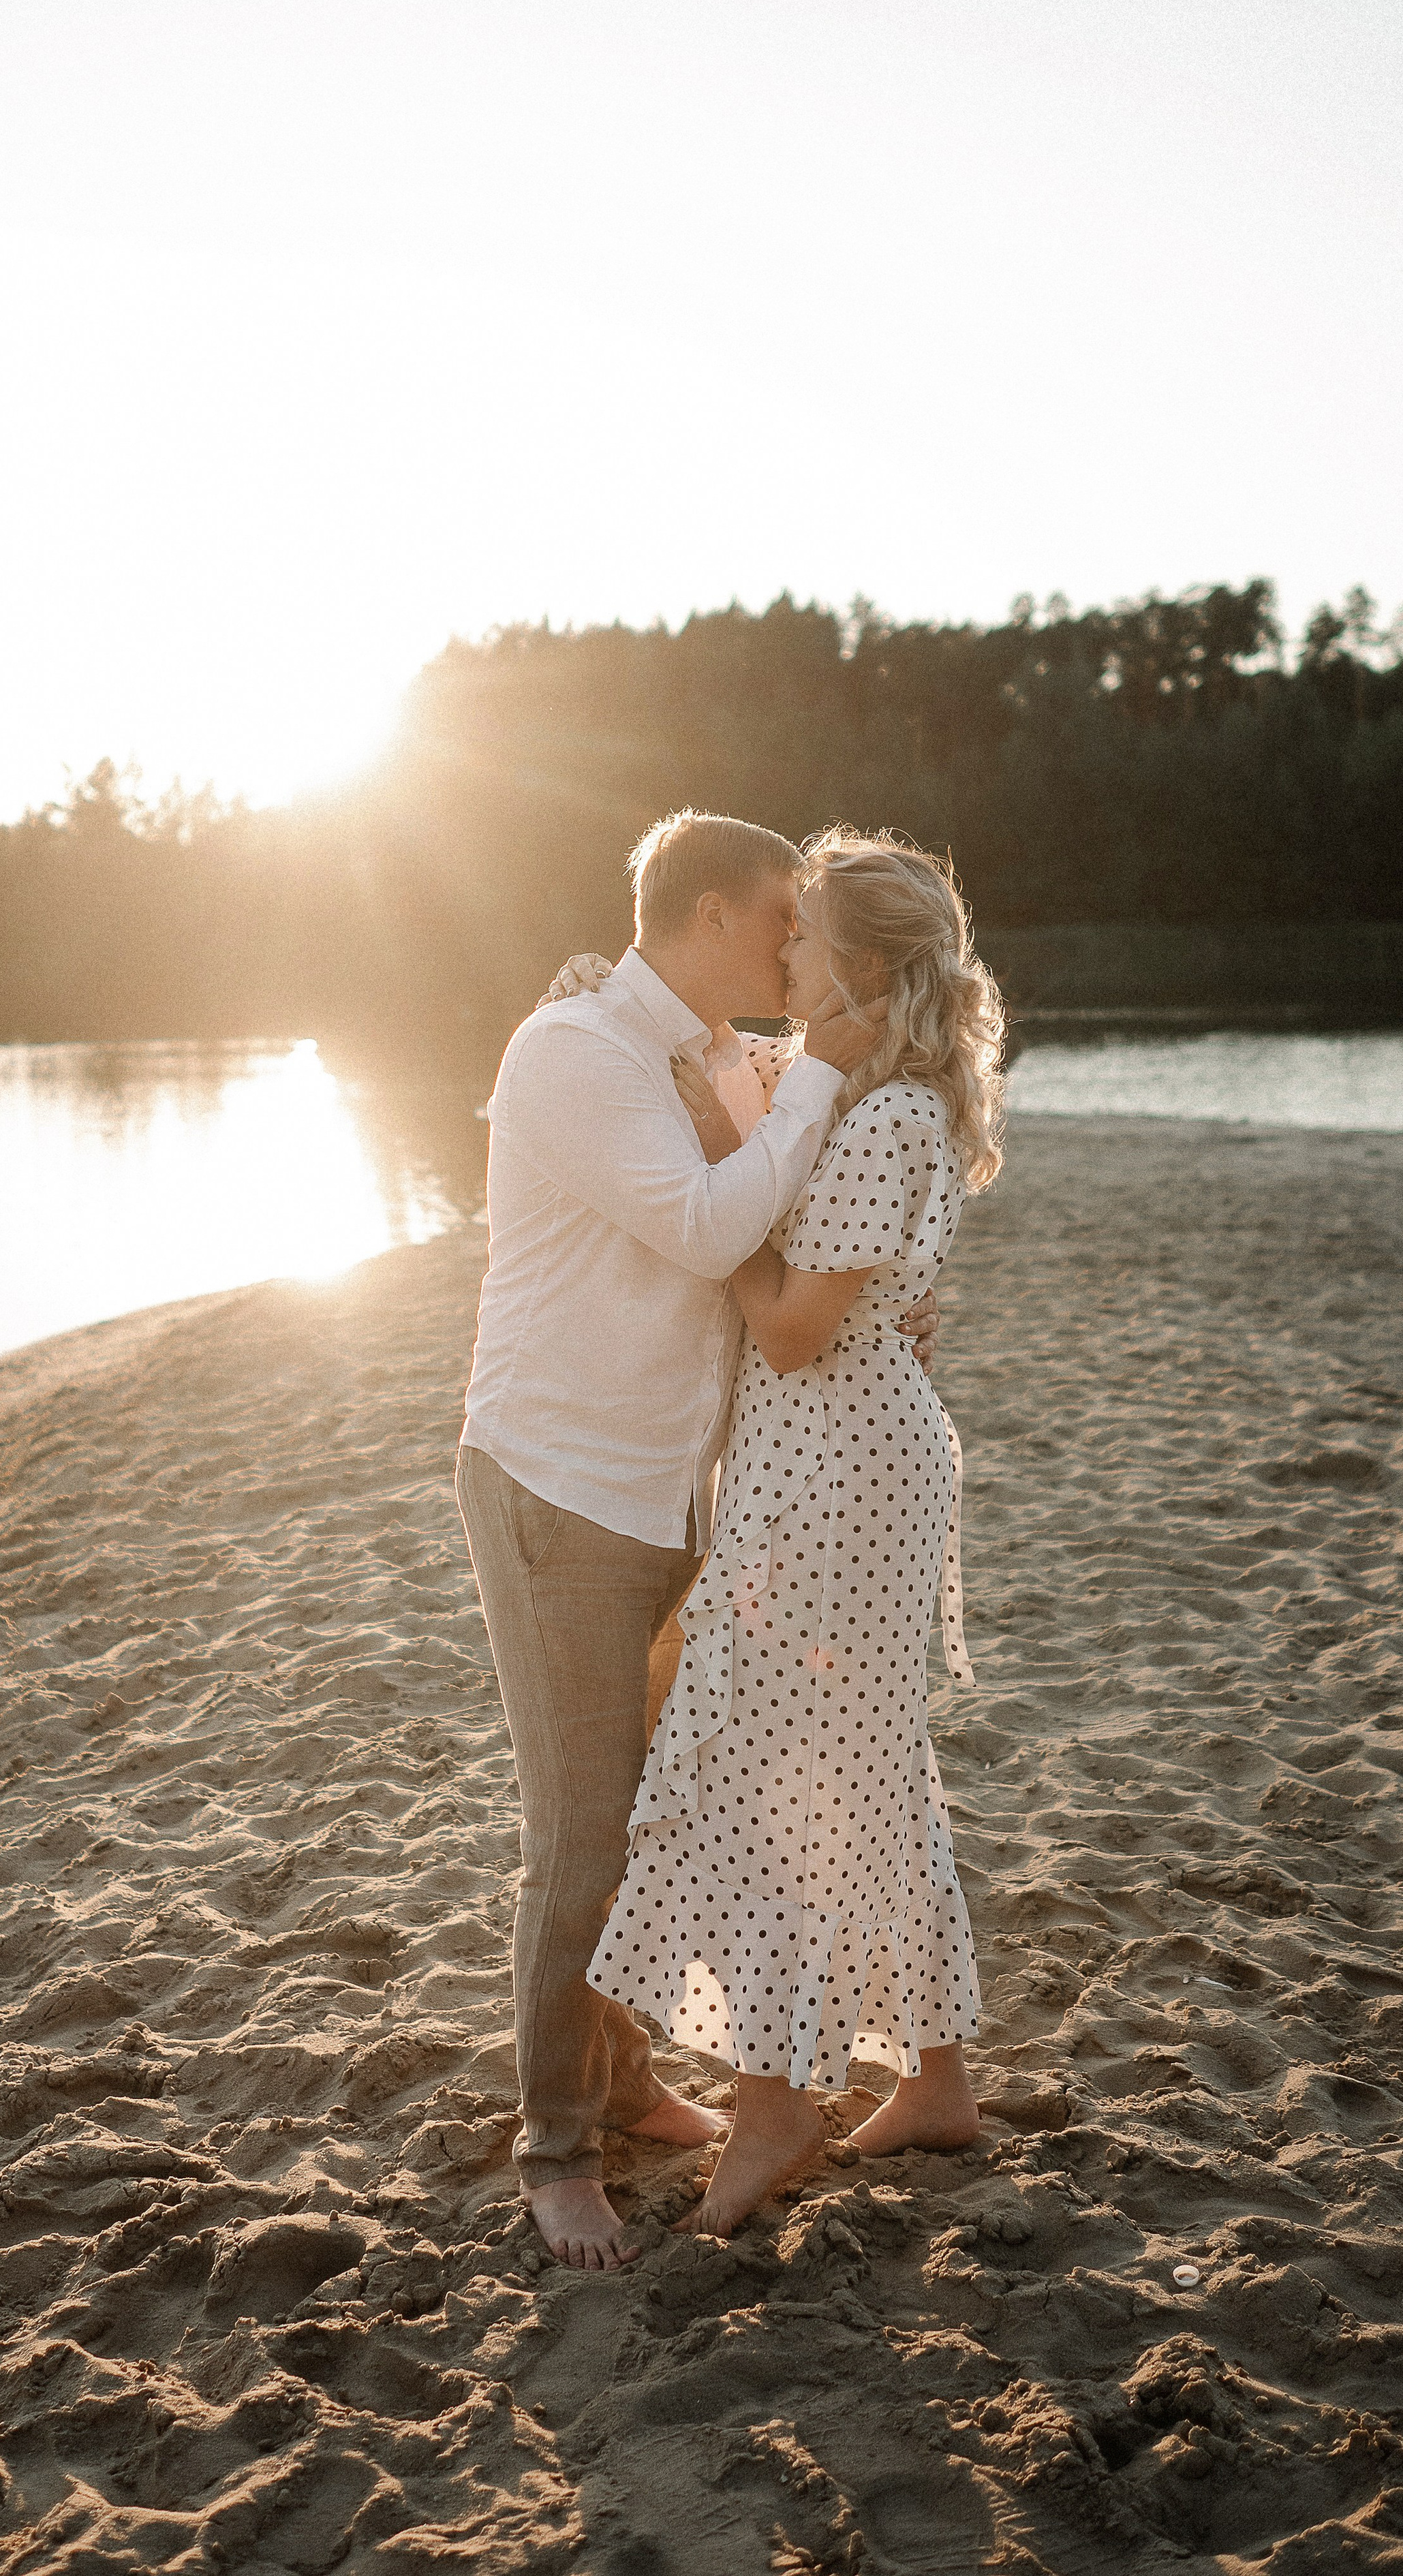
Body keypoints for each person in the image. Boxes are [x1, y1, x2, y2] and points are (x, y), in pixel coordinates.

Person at [456, 811, 940, 2271]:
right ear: (715, 915)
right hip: (559, 1487)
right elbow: (708, 1220)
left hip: (679, 1498)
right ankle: (555, 2148)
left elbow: (827, 1204)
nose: (796, 944)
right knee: (580, 1833)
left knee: (644, 1814)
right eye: (779, 917)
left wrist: (899, 1296)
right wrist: (822, 1080)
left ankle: (620, 2082)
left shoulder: (725, 1057)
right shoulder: (573, 1054)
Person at [588, 829, 1005, 2237]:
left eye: (803, 943)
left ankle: (770, 2104)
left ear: (864, 969)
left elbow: (789, 1321)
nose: (780, 961)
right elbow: (729, 1074)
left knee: (780, 1766)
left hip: (838, 1468)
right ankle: (934, 2080)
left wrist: (718, 1144)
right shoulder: (867, 1095)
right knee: (865, 1760)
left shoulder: (885, 1121)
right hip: (827, 1458)